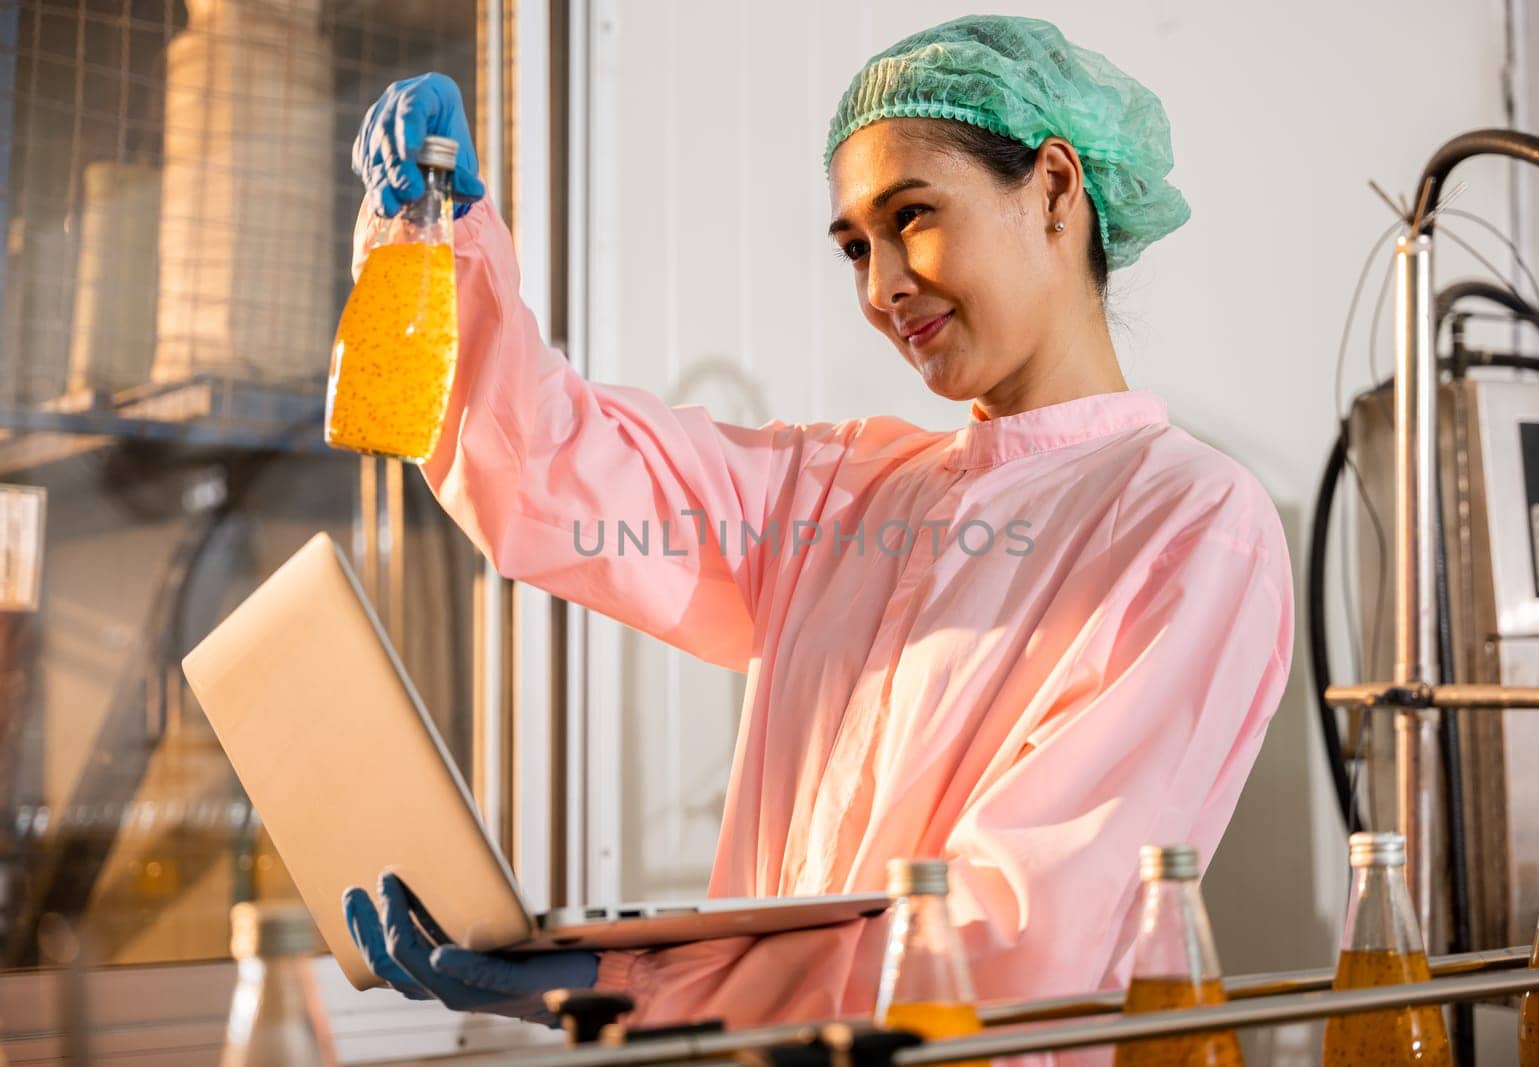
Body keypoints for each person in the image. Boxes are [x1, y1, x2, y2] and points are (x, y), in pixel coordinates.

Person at [342, 11, 1294, 1050]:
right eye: (855, 246)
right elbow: (550, 472)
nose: (881, 287)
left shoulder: (1191, 523)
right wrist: (439, 236)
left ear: (1056, 188)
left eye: (913, 216)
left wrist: (634, 982)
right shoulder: (847, 493)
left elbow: (1013, 932)